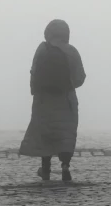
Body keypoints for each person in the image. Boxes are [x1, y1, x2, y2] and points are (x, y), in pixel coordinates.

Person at [19, 19, 86, 182]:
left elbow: (34, 73)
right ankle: (65, 166)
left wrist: (35, 91)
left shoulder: (42, 49)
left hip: (43, 100)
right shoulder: (72, 51)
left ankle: (46, 168)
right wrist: (68, 85)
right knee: (65, 134)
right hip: (66, 99)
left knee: (45, 134)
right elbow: (80, 77)